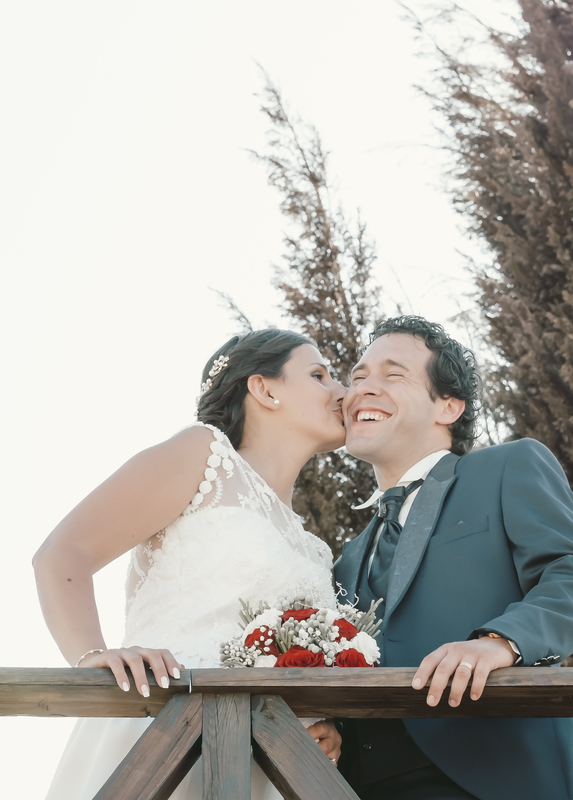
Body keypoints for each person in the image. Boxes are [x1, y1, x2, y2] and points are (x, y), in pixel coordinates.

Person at [35, 328, 345, 798]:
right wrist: (91, 657)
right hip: (162, 727)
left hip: (272, 754)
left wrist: (318, 723)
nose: (342, 391)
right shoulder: (204, 455)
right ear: (263, 389)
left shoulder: (312, 546)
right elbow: (61, 554)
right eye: (320, 375)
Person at [334, 316, 573, 800]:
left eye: (392, 374)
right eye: (358, 377)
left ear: (449, 405)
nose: (362, 389)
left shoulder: (507, 467)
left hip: (503, 778)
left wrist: (501, 642)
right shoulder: (346, 556)